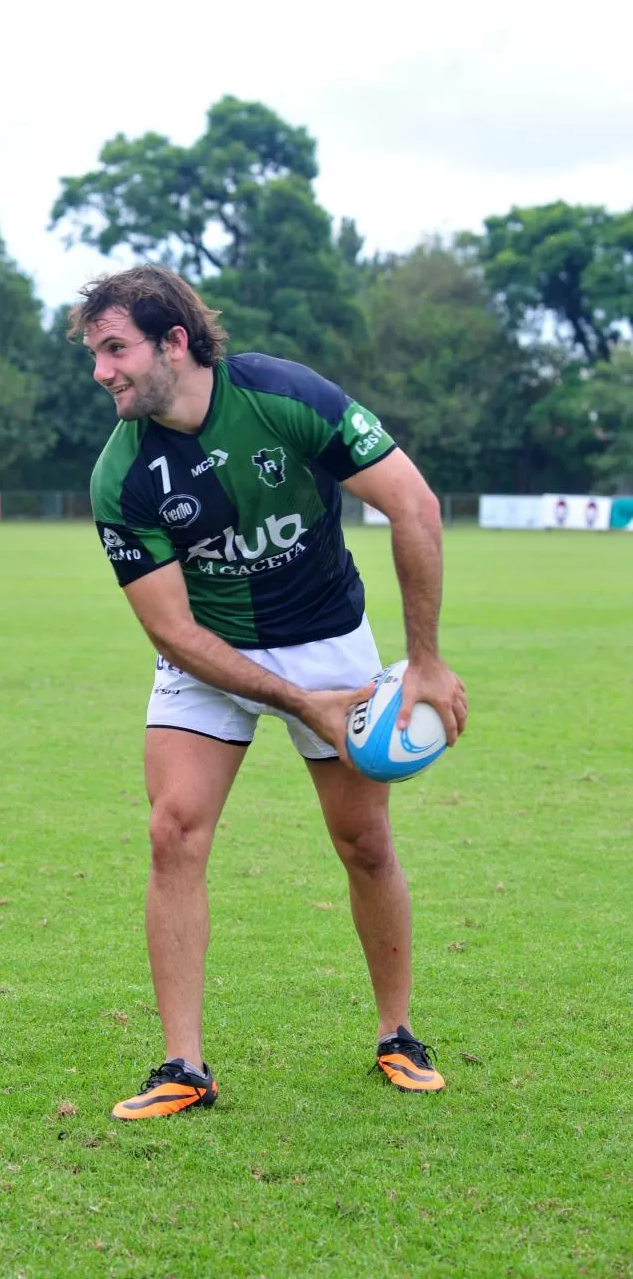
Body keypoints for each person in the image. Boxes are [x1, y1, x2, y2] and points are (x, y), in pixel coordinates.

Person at [70, 265, 467, 1119]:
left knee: (363, 840)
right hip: (208, 650)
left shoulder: (288, 397)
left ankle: (397, 1035)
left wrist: (425, 661)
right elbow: (173, 633)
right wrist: (295, 701)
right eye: (95, 354)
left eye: (114, 349)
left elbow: (416, 506)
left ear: (174, 339)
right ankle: (183, 1063)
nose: (101, 371)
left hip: (325, 632)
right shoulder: (122, 475)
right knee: (173, 830)